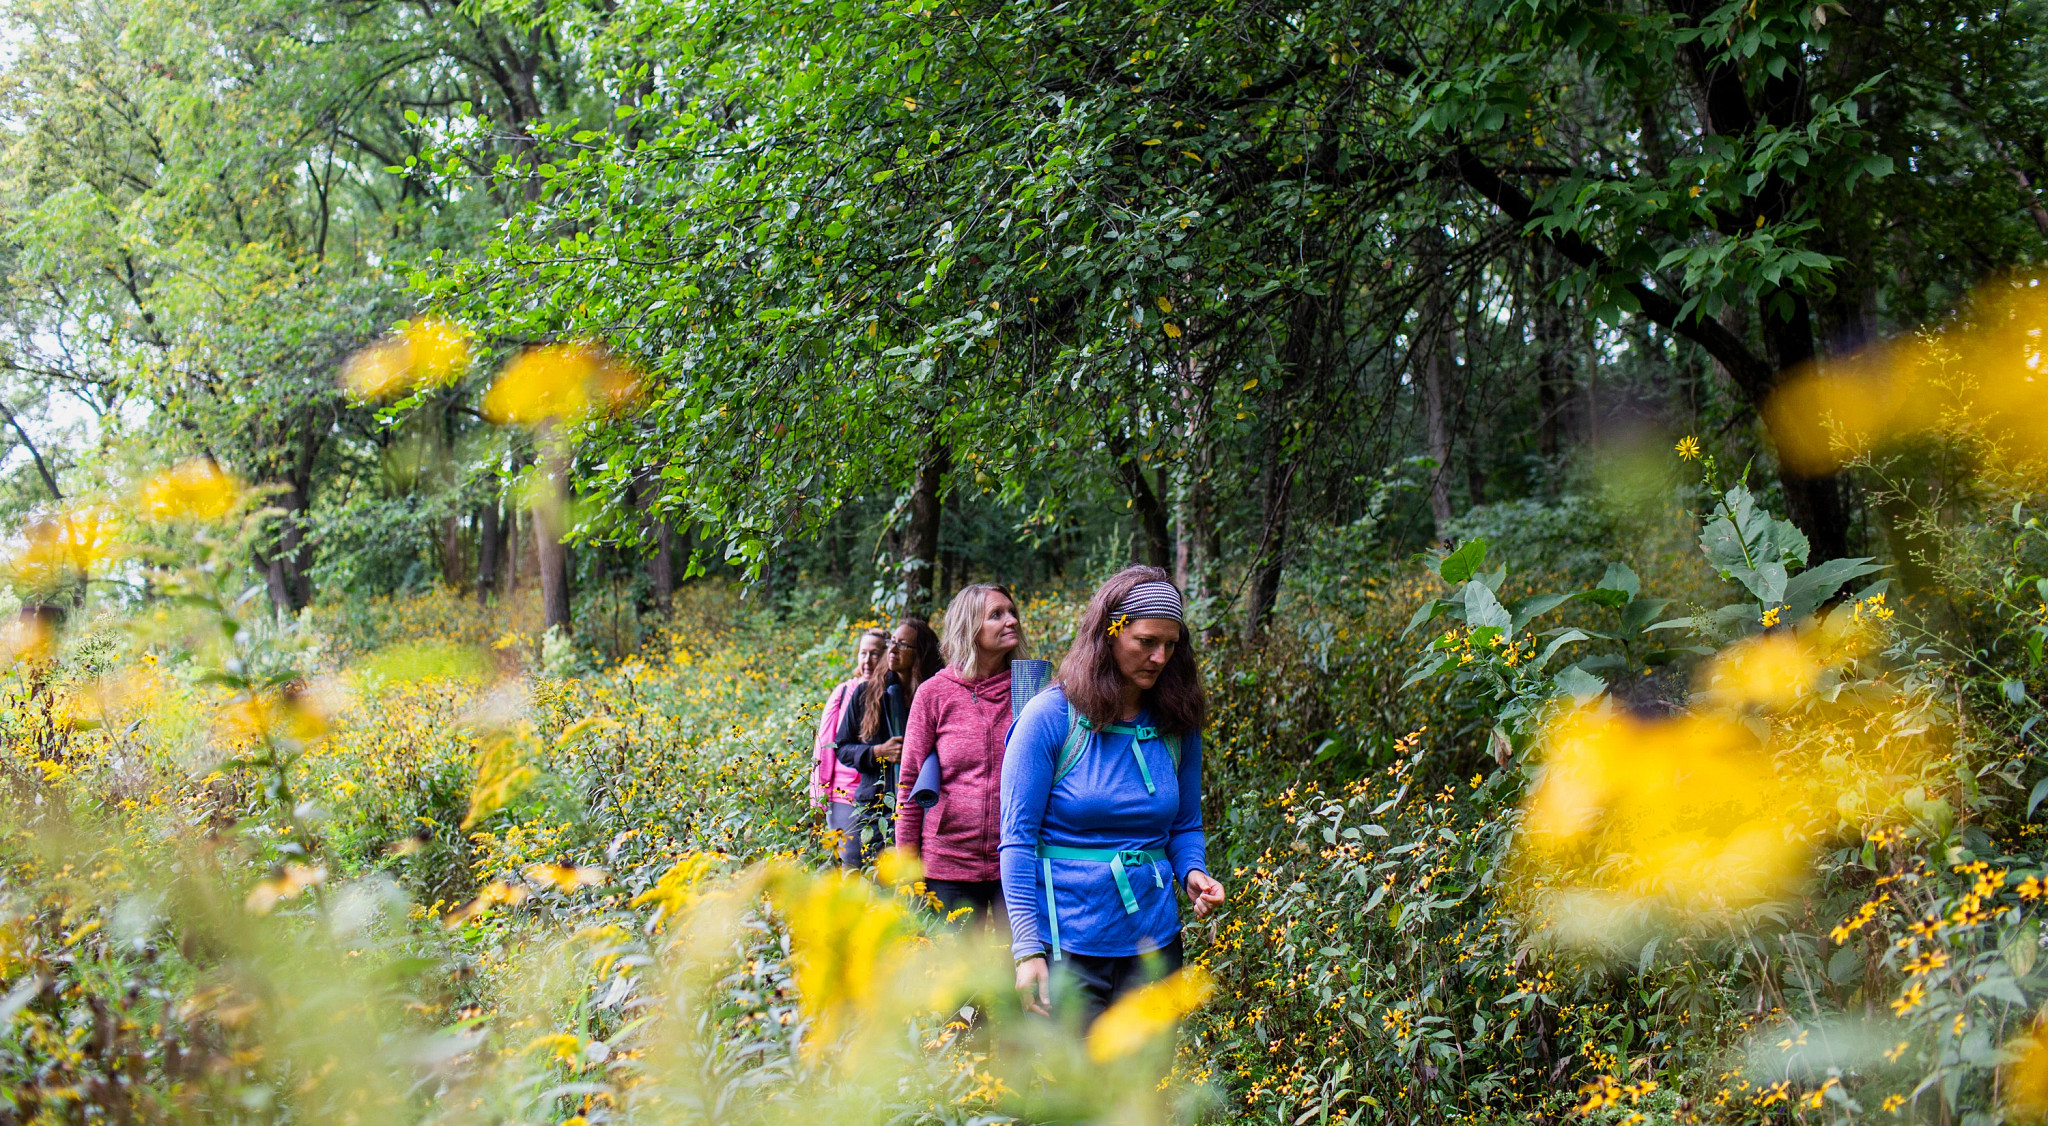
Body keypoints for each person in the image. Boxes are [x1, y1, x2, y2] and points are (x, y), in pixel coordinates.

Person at [1000, 566, 1226, 1027]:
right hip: (1067, 947)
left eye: (1171, 644)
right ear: (1108, 634)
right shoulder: (1049, 717)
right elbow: (1016, 841)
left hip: (1154, 943)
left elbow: (1183, 825)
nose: (1160, 657)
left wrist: (1193, 871)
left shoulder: (1175, 723)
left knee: (1144, 1088)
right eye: (1145, 641)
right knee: (1078, 1092)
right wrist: (1027, 950)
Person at [897, 583, 1024, 925]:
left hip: (1015, 862)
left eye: (1012, 612)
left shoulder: (1030, 689)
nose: (1011, 620)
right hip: (947, 864)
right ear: (969, 627)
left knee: (1010, 971)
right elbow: (909, 781)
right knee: (952, 974)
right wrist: (908, 867)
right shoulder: (934, 694)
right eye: (997, 615)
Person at [835, 617, 942, 868]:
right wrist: (877, 752)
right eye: (892, 642)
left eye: (903, 645)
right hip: (872, 809)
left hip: (921, 809)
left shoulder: (936, 696)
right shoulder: (866, 693)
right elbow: (842, 747)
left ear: (921, 653)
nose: (892, 650)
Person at [814, 628, 888, 869]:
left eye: (875, 654)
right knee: (852, 864)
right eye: (863, 653)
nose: (867, 660)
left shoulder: (894, 694)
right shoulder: (845, 692)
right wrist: (819, 794)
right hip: (844, 794)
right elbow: (825, 746)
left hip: (880, 793)